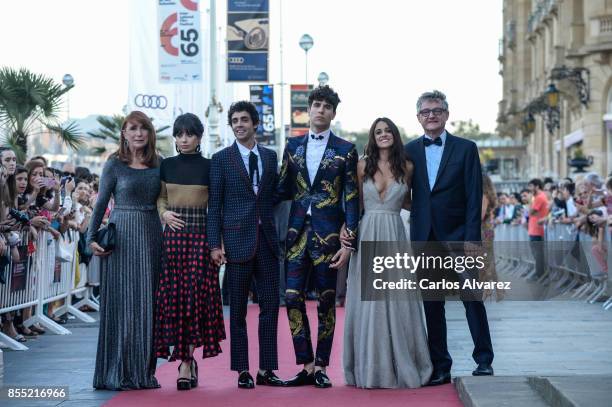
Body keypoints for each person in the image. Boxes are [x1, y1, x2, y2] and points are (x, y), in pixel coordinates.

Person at [404, 90, 494, 385]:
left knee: (472, 299)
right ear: (418, 117)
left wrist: (472, 238)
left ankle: (483, 360)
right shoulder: (409, 151)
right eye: (426, 111)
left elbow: (473, 195)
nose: (432, 115)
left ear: (446, 114)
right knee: (433, 304)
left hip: (459, 237)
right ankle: (441, 366)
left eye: (437, 110)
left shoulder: (466, 148)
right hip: (425, 237)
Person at [277, 85, 359, 388]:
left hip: (328, 236)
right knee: (292, 298)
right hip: (297, 234)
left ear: (333, 113)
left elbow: (351, 196)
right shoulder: (292, 146)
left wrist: (349, 239)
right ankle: (307, 365)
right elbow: (282, 188)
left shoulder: (345, 149)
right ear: (308, 110)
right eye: (316, 105)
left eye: (326, 106)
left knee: (326, 301)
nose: (321, 110)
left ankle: (322, 365)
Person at [342, 117, 432, 388]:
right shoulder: (361, 166)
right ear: (373, 136)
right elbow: (354, 203)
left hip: (395, 235)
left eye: (387, 131)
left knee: (397, 299)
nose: (383, 135)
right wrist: (346, 232)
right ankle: (371, 369)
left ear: (395, 134)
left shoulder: (407, 166)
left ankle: (401, 364)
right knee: (371, 302)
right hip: (368, 232)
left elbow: (408, 202)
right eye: (378, 131)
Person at [207, 101, 284, 389]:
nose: (239, 124)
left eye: (244, 120)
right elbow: (214, 205)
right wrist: (215, 244)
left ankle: (266, 369)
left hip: (266, 242)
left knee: (270, 307)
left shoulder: (270, 156)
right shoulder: (221, 159)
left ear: (255, 124)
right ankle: (242, 370)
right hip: (236, 242)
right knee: (237, 310)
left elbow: (271, 196)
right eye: (234, 120)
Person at [87, 110, 162, 390]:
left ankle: (142, 372)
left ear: (149, 132)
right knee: (121, 305)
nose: (138, 133)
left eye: (143, 128)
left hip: (152, 236)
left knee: (146, 305)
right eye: (132, 128)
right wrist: (91, 238)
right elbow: (100, 202)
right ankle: (115, 371)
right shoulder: (114, 164)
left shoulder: (160, 163)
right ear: (124, 133)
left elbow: (167, 201)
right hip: (121, 239)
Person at [155, 113, 225, 391]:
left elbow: (215, 209)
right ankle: (186, 359)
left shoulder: (211, 166)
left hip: (199, 241)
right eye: (179, 134)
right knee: (174, 300)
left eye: (189, 134)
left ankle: (187, 360)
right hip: (172, 242)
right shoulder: (166, 165)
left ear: (199, 136)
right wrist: (164, 214)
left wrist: (215, 245)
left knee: (195, 300)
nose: (183, 139)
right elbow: (160, 197)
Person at [527, 178, 549, 281]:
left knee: (538, 253)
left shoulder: (540, 197)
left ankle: (540, 274)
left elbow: (531, 212)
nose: (529, 189)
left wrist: (530, 200)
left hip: (537, 230)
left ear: (537, 186)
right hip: (533, 229)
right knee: (536, 253)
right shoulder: (537, 197)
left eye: (531, 186)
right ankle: (539, 273)